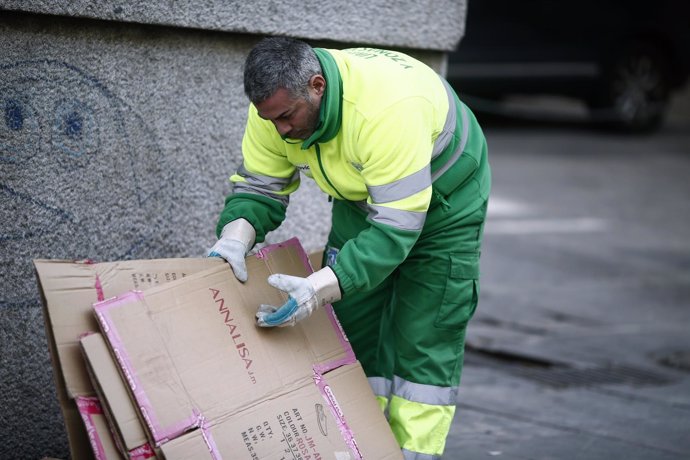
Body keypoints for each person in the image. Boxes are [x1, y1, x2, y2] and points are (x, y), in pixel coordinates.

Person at [209, 36, 491, 459]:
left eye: (287, 116)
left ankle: (410, 453)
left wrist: (321, 285)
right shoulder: (273, 110)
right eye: (272, 120)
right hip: (363, 201)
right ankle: (359, 442)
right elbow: (260, 186)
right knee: (352, 326)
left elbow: (396, 228)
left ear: (317, 86)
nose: (282, 130)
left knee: (425, 334)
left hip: (446, 205)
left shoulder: (387, 109)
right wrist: (235, 237)